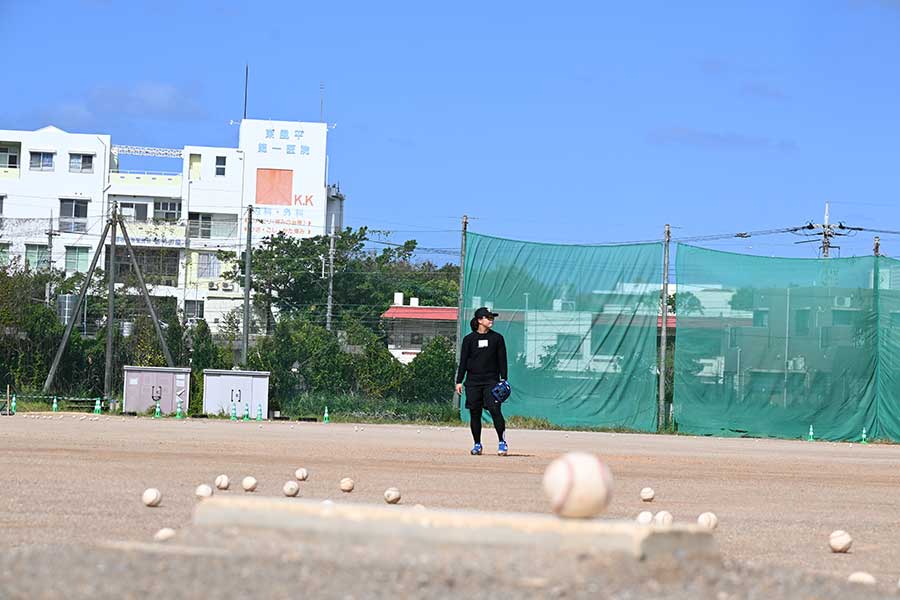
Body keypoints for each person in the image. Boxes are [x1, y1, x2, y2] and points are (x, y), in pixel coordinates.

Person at [455, 306, 509, 456]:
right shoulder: (469, 340)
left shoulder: (497, 338)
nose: (491, 320)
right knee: (474, 413)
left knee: (495, 410)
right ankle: (477, 444)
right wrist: (459, 381)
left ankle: (502, 442)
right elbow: (463, 362)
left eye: (492, 318)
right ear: (479, 320)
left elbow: (502, 360)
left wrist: (504, 379)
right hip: (472, 381)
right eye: (488, 317)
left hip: (491, 381)